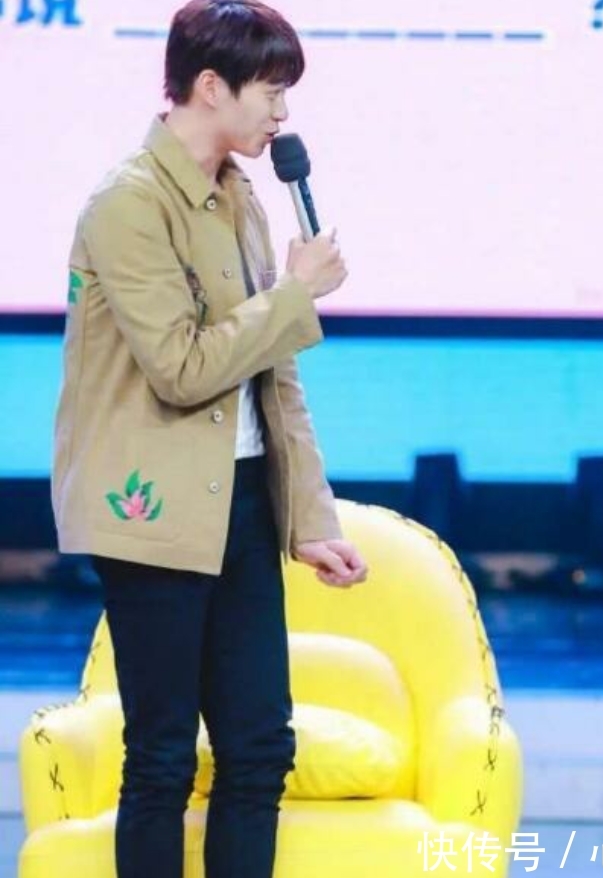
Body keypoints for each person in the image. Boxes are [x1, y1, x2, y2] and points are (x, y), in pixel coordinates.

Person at [51, 2, 368, 876]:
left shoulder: (241, 198)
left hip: (242, 504)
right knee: (161, 756)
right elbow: (182, 370)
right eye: (271, 91)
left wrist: (309, 518)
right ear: (209, 86)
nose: (282, 115)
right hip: (151, 510)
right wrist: (295, 297)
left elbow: (276, 376)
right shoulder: (128, 204)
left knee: (260, 747)